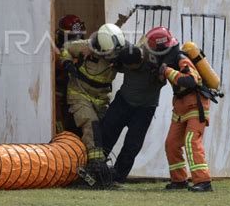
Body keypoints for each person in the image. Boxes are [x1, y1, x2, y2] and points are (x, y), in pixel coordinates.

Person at [147, 27, 213, 192]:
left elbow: (192, 81)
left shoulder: (181, 58)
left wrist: (168, 71)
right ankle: (179, 180)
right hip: (180, 106)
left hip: (195, 104)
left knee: (191, 141)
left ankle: (203, 181)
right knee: (172, 143)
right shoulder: (168, 60)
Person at [60, 23, 125, 186]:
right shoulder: (85, 47)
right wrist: (67, 62)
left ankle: (93, 170)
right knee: (91, 123)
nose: (113, 56)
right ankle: (97, 168)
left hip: (101, 100)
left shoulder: (119, 54)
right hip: (79, 94)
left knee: (101, 133)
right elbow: (66, 48)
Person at [100, 39, 166, 184]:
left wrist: (161, 73)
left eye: (133, 67)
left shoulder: (155, 62)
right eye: (127, 67)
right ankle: (97, 170)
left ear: (141, 59)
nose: (130, 69)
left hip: (145, 109)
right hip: (123, 102)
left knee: (132, 145)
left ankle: (117, 178)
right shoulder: (126, 54)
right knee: (106, 133)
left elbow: (164, 78)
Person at [55, 15, 86, 134]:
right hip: (62, 96)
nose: (77, 42)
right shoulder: (57, 53)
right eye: (73, 38)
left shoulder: (86, 50)